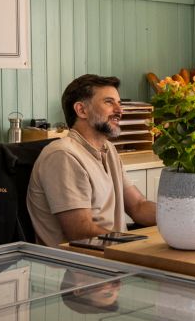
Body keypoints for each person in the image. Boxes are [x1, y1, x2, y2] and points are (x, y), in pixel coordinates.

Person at [27, 74, 157, 246]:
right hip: (80, 260)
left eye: (119, 103)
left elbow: (138, 206)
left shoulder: (108, 149)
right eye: (109, 102)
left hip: (115, 253)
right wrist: (134, 244)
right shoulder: (63, 155)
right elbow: (80, 231)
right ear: (82, 110)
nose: (119, 110)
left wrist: (180, 219)